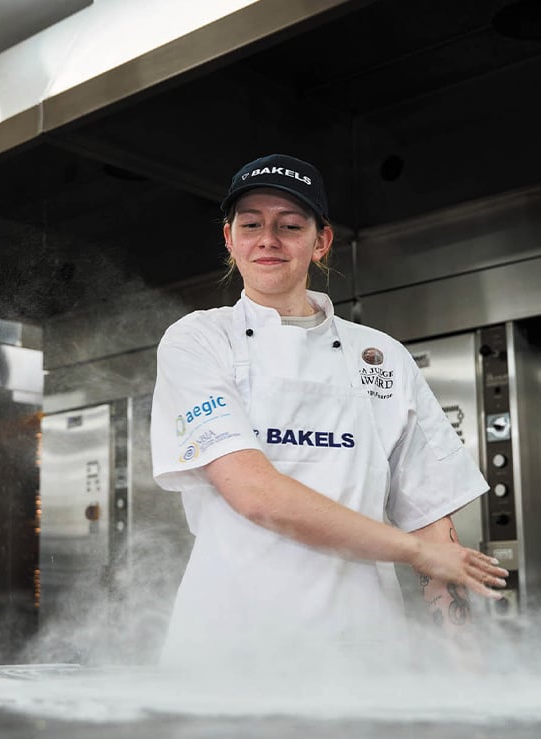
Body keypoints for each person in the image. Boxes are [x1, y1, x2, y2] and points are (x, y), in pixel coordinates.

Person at [150, 153, 507, 668]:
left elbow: (433, 529)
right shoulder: (200, 340)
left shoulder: (382, 356)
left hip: (361, 651)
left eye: (290, 225)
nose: (268, 239)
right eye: (251, 224)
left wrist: (468, 671)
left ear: (321, 242)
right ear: (229, 238)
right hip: (229, 651)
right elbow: (255, 495)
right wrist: (412, 552)